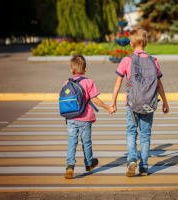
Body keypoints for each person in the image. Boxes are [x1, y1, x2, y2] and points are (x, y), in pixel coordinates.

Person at [111, 28, 169, 177]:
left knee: (131, 132)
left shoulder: (126, 60)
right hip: (149, 104)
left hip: (131, 104)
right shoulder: (153, 61)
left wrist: (113, 102)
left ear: (131, 43)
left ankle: (131, 160)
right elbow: (159, 85)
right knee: (145, 135)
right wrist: (165, 102)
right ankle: (144, 167)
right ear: (146, 43)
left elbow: (118, 83)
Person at [65, 54, 114, 179]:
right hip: (85, 118)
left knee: (72, 142)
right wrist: (107, 107)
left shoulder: (66, 83)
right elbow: (94, 99)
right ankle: (89, 163)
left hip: (71, 118)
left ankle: (70, 166)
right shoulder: (88, 82)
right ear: (85, 69)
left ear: (71, 69)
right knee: (86, 142)